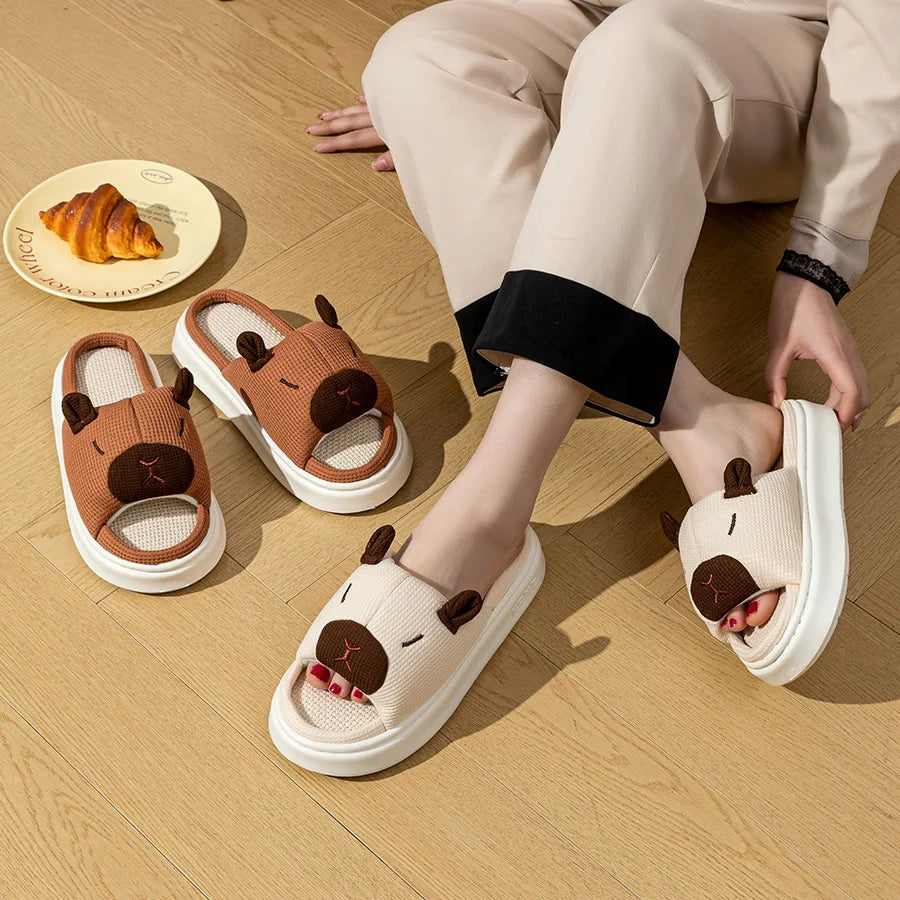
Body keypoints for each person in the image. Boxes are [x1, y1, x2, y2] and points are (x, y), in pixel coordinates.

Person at [300, 0, 898, 700]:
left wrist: (818, 259)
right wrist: (429, 115)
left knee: (642, 42)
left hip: (794, 62)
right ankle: (700, 418)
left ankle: (489, 507)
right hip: (594, 27)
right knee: (415, 58)